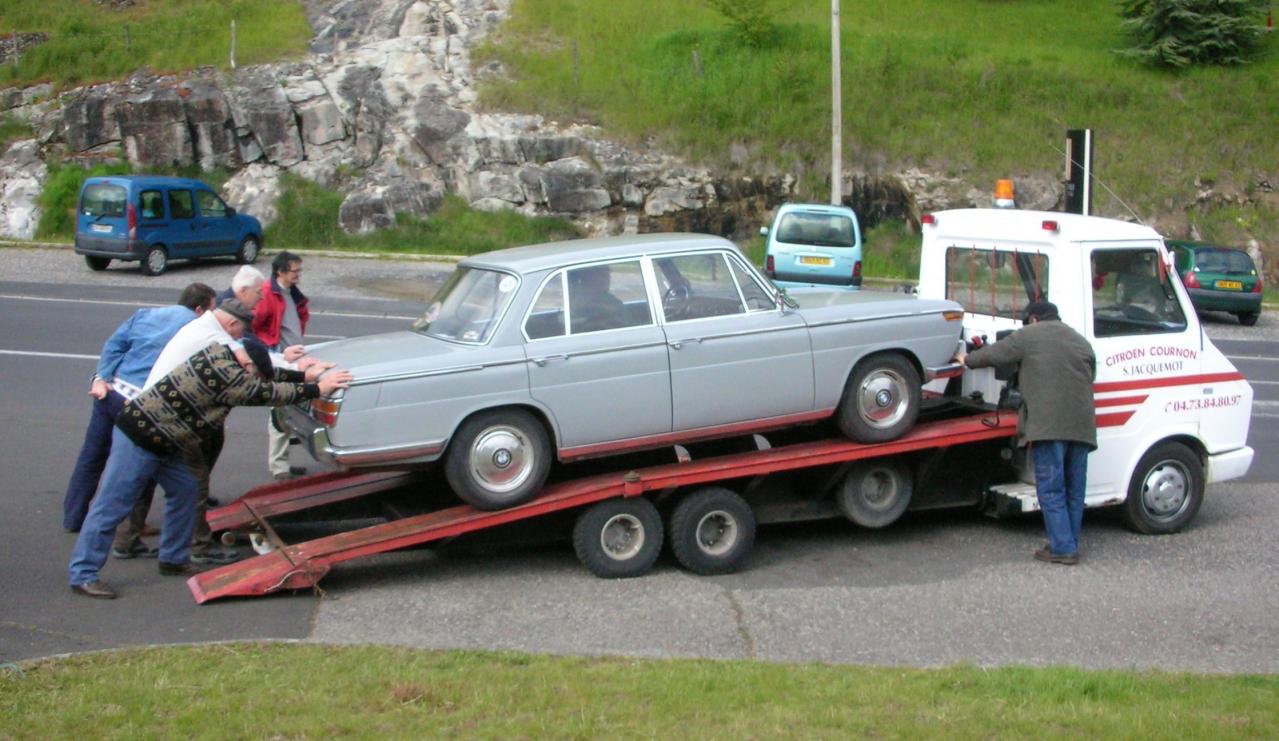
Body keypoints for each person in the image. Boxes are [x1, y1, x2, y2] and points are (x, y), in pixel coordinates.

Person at [67, 313, 353, 599]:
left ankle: (173, 559)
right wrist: (318, 388)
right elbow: (262, 392)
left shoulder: (225, 356)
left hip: (167, 440)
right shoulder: (226, 377)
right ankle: (83, 574)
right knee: (112, 505)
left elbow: (266, 376)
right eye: (254, 371)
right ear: (246, 364)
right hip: (140, 436)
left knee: (187, 490)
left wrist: (304, 374)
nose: (253, 375)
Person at [62, 283, 218, 540]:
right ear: (200, 309)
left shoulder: (145, 314)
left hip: (111, 393)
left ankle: (74, 517)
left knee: (91, 457)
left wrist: (101, 376)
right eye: (211, 311)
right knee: (141, 465)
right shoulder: (196, 328)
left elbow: (114, 345)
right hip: (140, 405)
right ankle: (129, 529)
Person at [954, 300, 1096, 565]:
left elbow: (995, 354)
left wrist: (967, 359)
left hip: (1048, 426)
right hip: (1082, 426)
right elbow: (1091, 374)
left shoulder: (1029, 335)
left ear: (1033, 319)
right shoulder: (1079, 340)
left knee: (1051, 489)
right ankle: (1068, 542)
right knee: (1074, 489)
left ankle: (1063, 549)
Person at [253, 251, 310, 480]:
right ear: (280, 271)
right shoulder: (268, 294)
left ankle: (283, 462)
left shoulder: (290, 293)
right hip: (280, 361)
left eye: (299, 270)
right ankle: (279, 468)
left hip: (294, 361)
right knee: (279, 413)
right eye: (295, 271)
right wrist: (273, 352)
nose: (298, 275)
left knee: (291, 410)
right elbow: (253, 329)